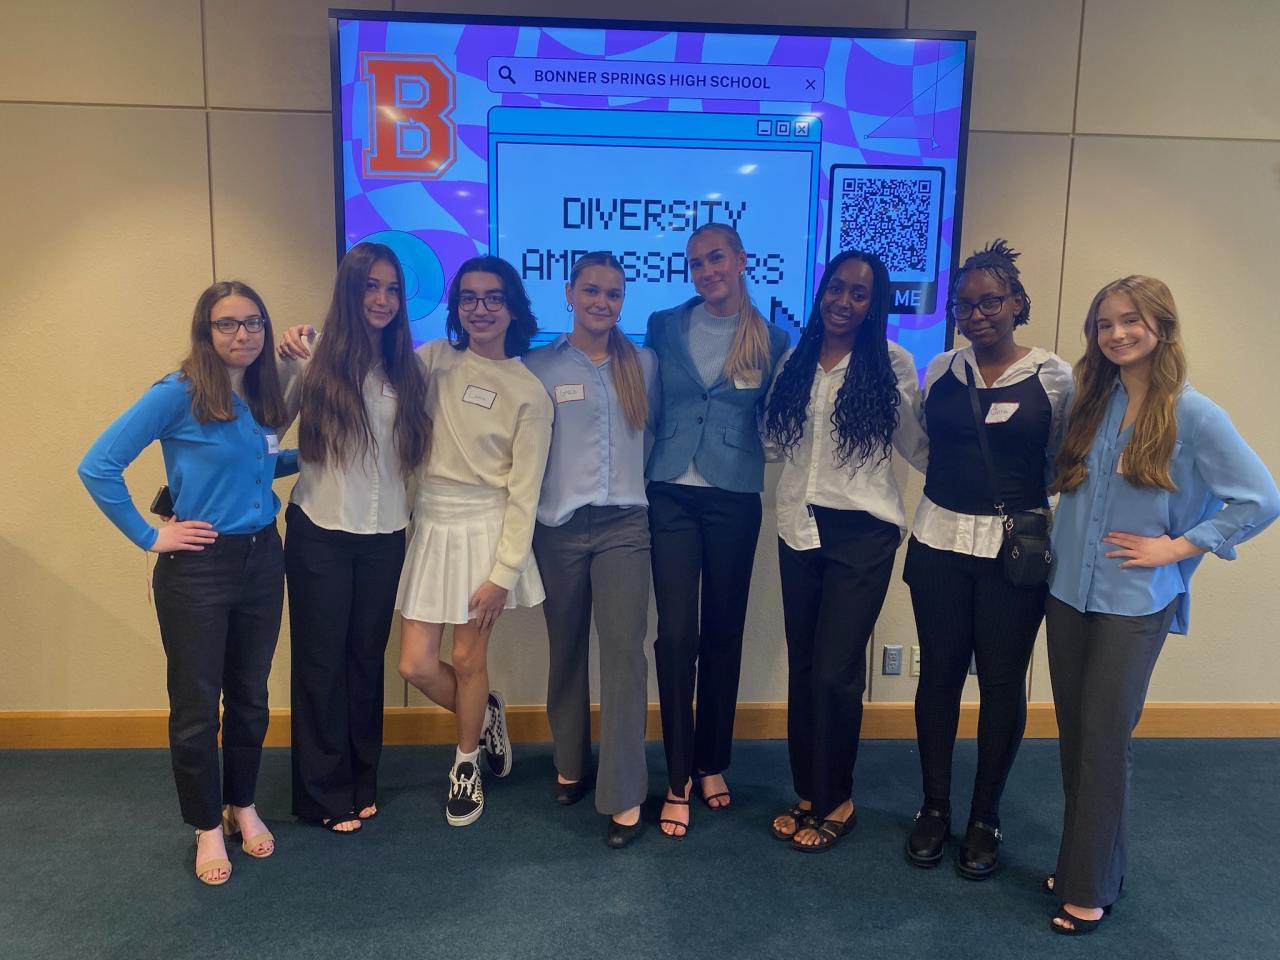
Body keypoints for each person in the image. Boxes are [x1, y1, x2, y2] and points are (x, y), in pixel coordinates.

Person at [1043, 276, 1278, 934]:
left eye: (1131, 321)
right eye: (1104, 323)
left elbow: (1260, 498)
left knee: (1105, 738)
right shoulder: (1091, 400)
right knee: (1077, 735)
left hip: (1133, 602)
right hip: (1066, 593)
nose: (1116, 333)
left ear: (1161, 327)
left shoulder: (1194, 414)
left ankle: (1090, 886)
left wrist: (1177, 546)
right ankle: (1086, 865)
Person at [78, 281, 295, 885]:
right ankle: (206, 825)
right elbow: (97, 466)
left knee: (250, 696)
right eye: (228, 324)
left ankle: (241, 804)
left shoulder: (260, 392)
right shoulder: (178, 392)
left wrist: (307, 455)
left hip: (263, 559)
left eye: (254, 322)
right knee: (197, 707)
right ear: (206, 331)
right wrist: (150, 537)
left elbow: (256, 464)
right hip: (199, 570)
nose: (243, 334)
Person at [903, 240, 1073, 877]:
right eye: (964, 305)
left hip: (1014, 553)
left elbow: (1060, 458)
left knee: (1002, 684)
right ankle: (934, 807)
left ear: (1017, 302)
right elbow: (923, 444)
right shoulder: (941, 369)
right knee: (939, 678)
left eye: (990, 301)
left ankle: (985, 817)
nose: (976, 314)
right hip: (938, 542)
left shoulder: (1054, 377)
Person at [764, 250, 928, 852]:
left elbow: (916, 444)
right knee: (806, 666)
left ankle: (838, 798)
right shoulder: (795, 358)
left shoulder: (892, 362)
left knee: (836, 670)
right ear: (822, 292)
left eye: (859, 294)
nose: (844, 301)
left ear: (874, 304)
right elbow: (773, 440)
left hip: (862, 531)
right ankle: (808, 792)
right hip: (798, 525)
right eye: (836, 288)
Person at [395, 256, 554, 827]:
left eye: (493, 298)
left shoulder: (530, 392)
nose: (480, 309)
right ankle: (484, 714)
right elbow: (374, 376)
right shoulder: (434, 359)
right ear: (456, 306)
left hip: (485, 533)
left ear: (513, 307)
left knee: (467, 659)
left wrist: (503, 574)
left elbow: (525, 494)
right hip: (431, 524)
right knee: (414, 664)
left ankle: (466, 764)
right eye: (468, 297)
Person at [276, 242, 429, 834]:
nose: (383, 299)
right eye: (371, 286)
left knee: (366, 659)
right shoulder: (309, 357)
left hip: (384, 535)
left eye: (392, 289)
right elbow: (265, 430)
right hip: (320, 531)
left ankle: (363, 779)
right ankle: (322, 792)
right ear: (350, 290)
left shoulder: (406, 369)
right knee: (321, 662)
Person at [644, 222, 790, 837]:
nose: (706, 272)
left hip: (733, 495)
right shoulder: (663, 325)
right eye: (696, 263)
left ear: (740, 259)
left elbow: (777, 419)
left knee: (724, 632)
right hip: (670, 492)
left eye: (715, 259)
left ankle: (711, 762)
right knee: (676, 634)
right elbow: (652, 405)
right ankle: (677, 774)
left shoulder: (773, 338)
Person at [524, 251, 659, 849]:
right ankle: (570, 761)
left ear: (622, 301)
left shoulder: (644, 364)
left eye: (613, 293)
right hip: (558, 527)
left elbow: (653, 436)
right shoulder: (538, 365)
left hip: (624, 526)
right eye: (592, 291)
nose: (602, 302)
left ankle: (625, 793)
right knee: (567, 648)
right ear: (569, 293)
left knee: (625, 656)